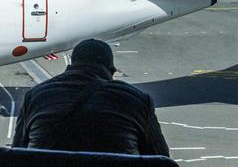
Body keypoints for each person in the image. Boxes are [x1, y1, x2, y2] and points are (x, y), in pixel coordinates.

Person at [12, 38, 169, 156]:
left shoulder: (35, 97)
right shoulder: (137, 101)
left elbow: (16, 155)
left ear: (70, 66)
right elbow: (162, 161)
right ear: (111, 71)